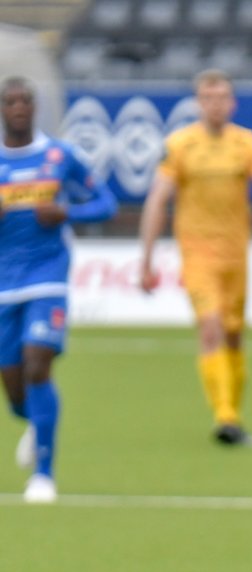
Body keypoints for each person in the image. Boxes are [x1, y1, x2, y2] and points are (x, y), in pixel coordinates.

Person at [138, 69, 252, 446]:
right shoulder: (179, 145)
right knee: (211, 329)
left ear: (233, 102)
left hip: (236, 255)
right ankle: (224, 417)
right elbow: (158, 200)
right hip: (197, 253)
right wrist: (146, 259)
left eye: (222, 97)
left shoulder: (246, 143)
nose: (215, 104)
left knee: (235, 337)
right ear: (198, 103)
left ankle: (234, 416)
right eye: (208, 98)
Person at [1, 76, 117, 503]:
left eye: (25, 101)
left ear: (35, 108)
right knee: (15, 392)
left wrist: (66, 211)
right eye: (10, 101)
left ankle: (44, 476)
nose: (18, 107)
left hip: (47, 275)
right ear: (1, 110)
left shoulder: (60, 155)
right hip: (3, 284)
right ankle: (35, 422)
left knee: (37, 365)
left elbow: (105, 203)